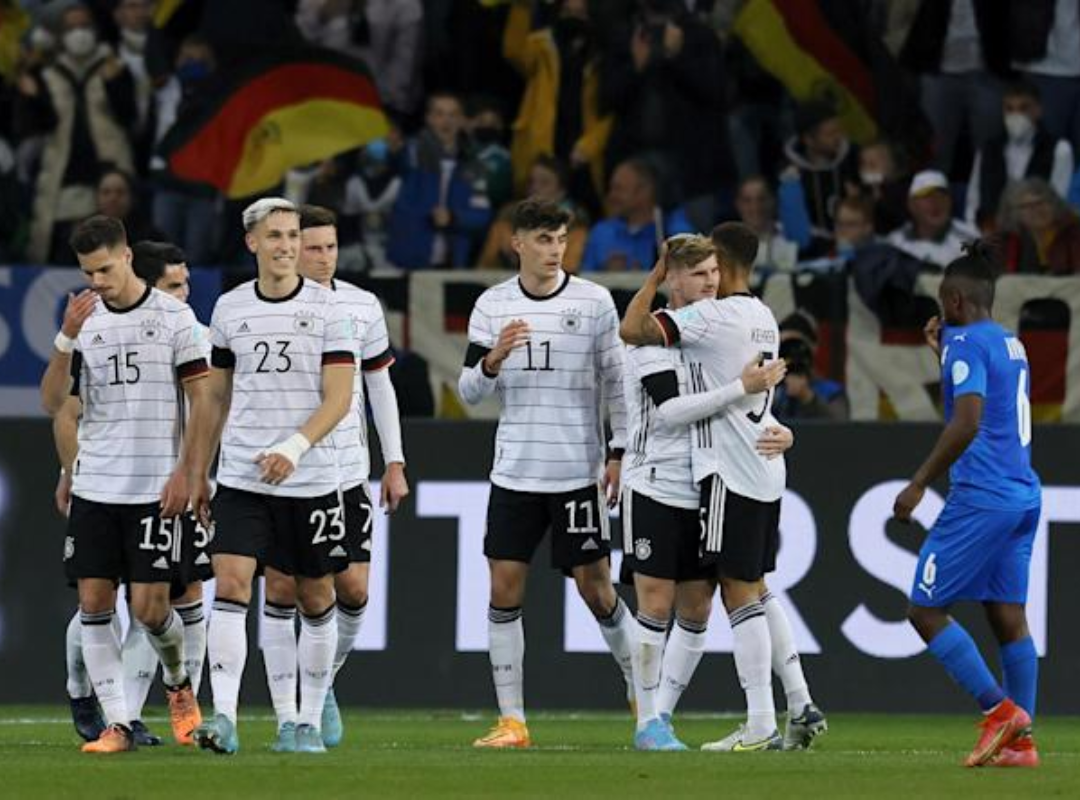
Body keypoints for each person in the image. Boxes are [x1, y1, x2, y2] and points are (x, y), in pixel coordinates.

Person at [620, 222, 817, 752]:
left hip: (708, 482)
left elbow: (741, 404)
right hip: (657, 481)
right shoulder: (662, 339)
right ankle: (649, 722)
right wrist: (743, 390)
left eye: (713, 271)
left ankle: (665, 717)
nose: (709, 282)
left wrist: (773, 425)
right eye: (697, 274)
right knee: (659, 604)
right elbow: (673, 410)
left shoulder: (708, 327)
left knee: (711, 603)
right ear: (672, 279)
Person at [457, 198, 633, 748]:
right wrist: (492, 360)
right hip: (515, 471)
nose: (555, 250)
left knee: (596, 589)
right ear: (518, 244)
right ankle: (513, 721)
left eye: (560, 239)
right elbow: (468, 393)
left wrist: (619, 452)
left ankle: (641, 692)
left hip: (577, 471)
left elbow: (618, 383)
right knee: (504, 590)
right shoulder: (492, 305)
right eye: (543, 240)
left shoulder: (595, 301)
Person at [187, 198, 356, 755]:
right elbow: (214, 396)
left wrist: (295, 446)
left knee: (314, 595)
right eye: (275, 235)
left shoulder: (331, 311)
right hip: (242, 477)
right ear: (252, 243)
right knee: (231, 585)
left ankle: (306, 721)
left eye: (292, 235)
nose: (286, 245)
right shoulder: (231, 309)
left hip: (310, 480)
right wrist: (199, 470)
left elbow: (339, 398)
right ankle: (226, 717)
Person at [39, 215, 206, 753]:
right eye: (89, 272)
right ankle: (118, 723)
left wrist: (187, 470)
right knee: (93, 602)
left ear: (128, 255)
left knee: (153, 610)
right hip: (97, 485)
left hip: (156, 487)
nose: (99, 281)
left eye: (106, 269)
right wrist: (65, 335)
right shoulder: (85, 323)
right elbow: (53, 403)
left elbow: (204, 403)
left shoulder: (175, 318)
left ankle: (178, 681)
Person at [260, 204, 409, 752]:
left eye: (329, 247)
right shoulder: (269, 305)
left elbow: (381, 388)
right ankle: (294, 708)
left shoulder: (360, 304)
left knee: (353, 588)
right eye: (312, 247)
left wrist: (393, 460)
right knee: (285, 587)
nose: (323, 258)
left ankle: (322, 684)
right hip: (289, 472)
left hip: (348, 471)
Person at [893, 242, 1041, 768]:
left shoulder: (964, 344)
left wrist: (918, 484)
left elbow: (967, 420)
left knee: (924, 609)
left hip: (982, 497)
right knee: (1008, 617)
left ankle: (1000, 713)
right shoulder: (1010, 343)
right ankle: (1021, 746)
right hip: (1023, 493)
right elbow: (988, 401)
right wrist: (945, 354)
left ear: (954, 300)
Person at [17, 4, 136, 263]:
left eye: (84, 26)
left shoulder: (114, 66)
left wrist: (115, 83)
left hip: (109, 177)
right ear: (60, 35)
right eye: (71, 28)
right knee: (66, 257)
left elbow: (130, 119)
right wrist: (32, 97)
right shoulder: (48, 75)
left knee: (114, 257)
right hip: (64, 182)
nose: (78, 33)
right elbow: (38, 126)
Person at [386, 92, 492, 269]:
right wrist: (392, 152)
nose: (446, 121)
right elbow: (393, 165)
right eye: (439, 114)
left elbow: (482, 215)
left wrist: (454, 217)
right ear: (428, 119)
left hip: (452, 264)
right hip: (406, 264)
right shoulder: (411, 153)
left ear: (462, 120)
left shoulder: (474, 164)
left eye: (453, 115)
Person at [966, 80, 1073, 228]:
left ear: (1038, 110)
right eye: (1009, 109)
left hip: (1038, 234)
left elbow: (1059, 201)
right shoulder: (987, 149)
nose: (1015, 115)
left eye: (1023, 108)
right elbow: (974, 200)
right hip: (991, 234)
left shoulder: (1060, 150)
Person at [477, 155, 589, 271]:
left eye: (544, 183)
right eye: (531, 182)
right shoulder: (505, 223)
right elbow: (484, 270)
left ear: (561, 192)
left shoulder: (576, 228)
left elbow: (569, 271)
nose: (535, 188)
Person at [581, 157, 692, 272]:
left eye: (619, 189)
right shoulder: (601, 232)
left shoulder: (673, 231)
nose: (611, 196)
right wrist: (608, 277)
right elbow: (584, 281)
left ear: (644, 192)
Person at [887, 170, 979, 267]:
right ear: (911, 205)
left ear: (951, 201)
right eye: (927, 197)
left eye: (942, 195)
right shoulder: (894, 242)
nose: (936, 203)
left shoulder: (971, 240)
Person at [998, 177, 1080, 274]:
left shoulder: (1073, 231)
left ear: (1054, 203)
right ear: (1014, 213)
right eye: (1027, 206)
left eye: (1041, 202)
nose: (1037, 210)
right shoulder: (1012, 241)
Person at [733, 176, 798, 271]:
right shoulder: (727, 248)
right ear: (738, 205)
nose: (755, 207)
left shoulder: (794, 236)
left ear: (773, 201)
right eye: (747, 201)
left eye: (761, 199)